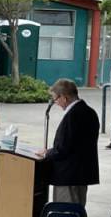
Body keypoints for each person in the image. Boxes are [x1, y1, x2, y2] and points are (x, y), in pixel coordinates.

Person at [38, 78, 99, 207]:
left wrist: (47, 153)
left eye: (55, 99)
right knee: (76, 213)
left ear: (64, 98)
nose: (55, 103)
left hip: (69, 176)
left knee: (66, 213)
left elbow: (63, 149)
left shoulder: (73, 116)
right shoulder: (89, 111)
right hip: (80, 175)